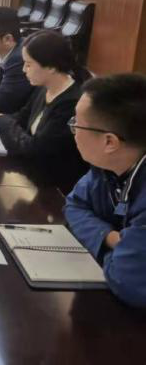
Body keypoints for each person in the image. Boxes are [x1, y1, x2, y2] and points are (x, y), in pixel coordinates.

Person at [63, 73, 146, 307]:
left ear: (110, 142)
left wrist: (123, 253)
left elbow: (128, 280)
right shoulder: (107, 167)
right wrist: (111, 239)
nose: (73, 129)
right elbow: (75, 205)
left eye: (77, 124)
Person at [0, 30, 89, 186]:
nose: (24, 69)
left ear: (51, 67)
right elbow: (22, 117)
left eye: (29, 64)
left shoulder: (71, 103)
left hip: (54, 183)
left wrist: (3, 122)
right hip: (31, 171)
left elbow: (36, 148)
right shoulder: (44, 87)